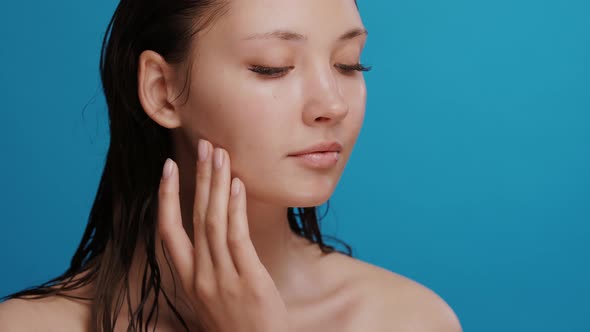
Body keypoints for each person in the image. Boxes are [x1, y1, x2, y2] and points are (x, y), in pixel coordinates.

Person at [0, 0, 462, 331]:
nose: (332, 105)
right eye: (272, 67)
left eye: (348, 65)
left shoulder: (408, 320)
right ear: (162, 90)